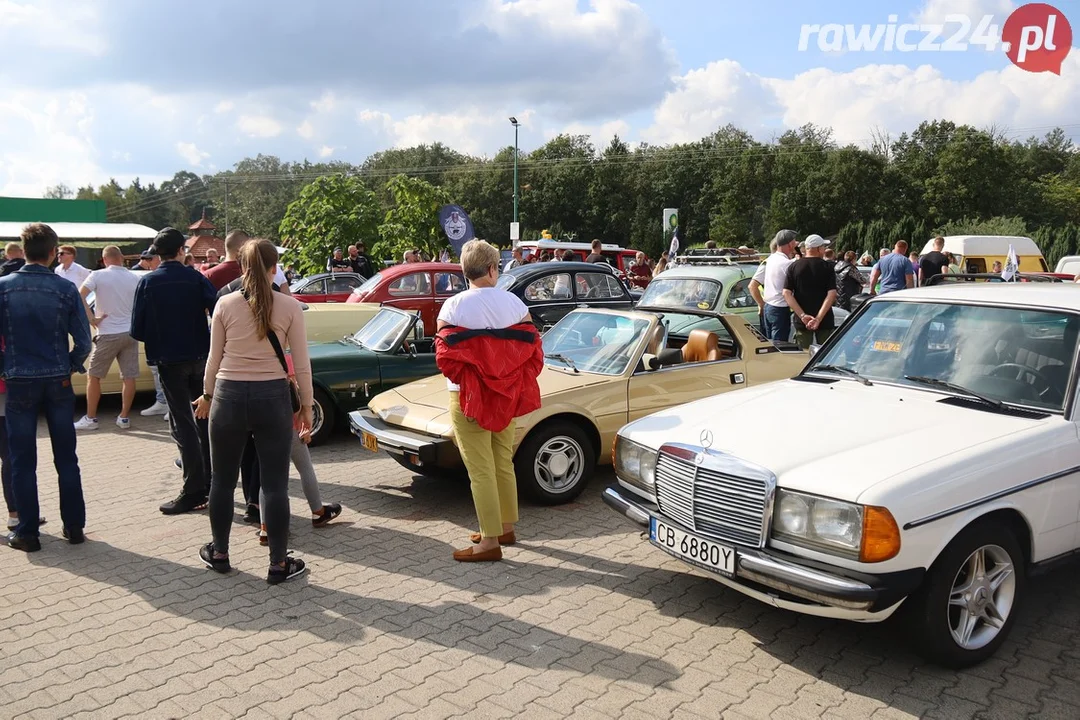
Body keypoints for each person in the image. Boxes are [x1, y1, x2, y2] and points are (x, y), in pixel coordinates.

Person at [194, 238, 314, 584]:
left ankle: (219, 552)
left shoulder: (224, 304)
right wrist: (305, 406)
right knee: (275, 484)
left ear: (242, 268)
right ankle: (278, 564)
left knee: (222, 480)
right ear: (275, 267)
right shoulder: (290, 306)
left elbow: (213, 360)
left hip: (228, 397)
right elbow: (302, 365)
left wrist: (207, 394)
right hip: (273, 398)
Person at [435, 240, 543, 562]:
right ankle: (505, 526)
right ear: (493, 269)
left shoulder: (453, 307)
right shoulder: (515, 305)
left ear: (465, 270)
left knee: (480, 470)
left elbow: (444, 358)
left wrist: (477, 375)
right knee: (502, 462)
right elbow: (533, 355)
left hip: (468, 399)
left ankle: (489, 542)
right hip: (507, 396)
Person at [0, 223, 91, 552]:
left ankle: (27, 532)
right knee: (66, 457)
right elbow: (83, 341)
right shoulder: (66, 290)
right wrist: (68, 365)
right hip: (58, 380)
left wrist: (6, 367)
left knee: (22, 459)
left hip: (19, 380)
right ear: (54, 253)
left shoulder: (3, 287)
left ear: (23, 251)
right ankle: (75, 526)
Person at [131, 228, 218, 515]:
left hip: (169, 361)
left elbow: (137, 329)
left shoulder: (148, 282)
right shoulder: (195, 278)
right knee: (203, 420)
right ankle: (212, 482)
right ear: (182, 250)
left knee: (183, 424)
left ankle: (195, 490)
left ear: (157, 253)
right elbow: (218, 313)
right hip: (199, 356)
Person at [74, 246, 142, 431]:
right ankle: (124, 417)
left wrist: (91, 318)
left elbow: (79, 296)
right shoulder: (134, 278)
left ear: (104, 260)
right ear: (121, 258)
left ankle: (91, 418)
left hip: (107, 332)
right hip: (130, 333)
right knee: (129, 376)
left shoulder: (97, 276)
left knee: (94, 376)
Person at [782, 235, 837, 349]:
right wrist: (818, 318)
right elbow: (831, 294)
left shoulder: (794, 266)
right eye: (823, 247)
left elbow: (786, 293)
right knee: (826, 355)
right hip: (824, 319)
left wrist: (802, 315)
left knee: (802, 357)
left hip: (802, 320)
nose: (824, 250)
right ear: (818, 249)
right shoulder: (827, 267)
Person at [749, 229, 798, 343]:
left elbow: (752, 285)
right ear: (790, 244)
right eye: (794, 242)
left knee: (769, 343)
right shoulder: (787, 263)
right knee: (779, 345)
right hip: (779, 309)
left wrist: (761, 304)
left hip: (768, 307)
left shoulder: (770, 260)